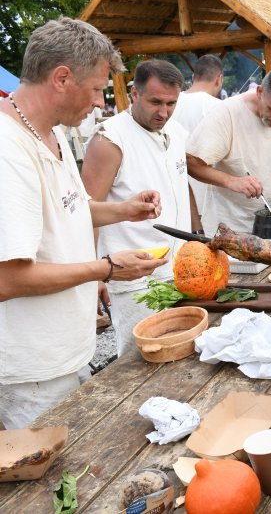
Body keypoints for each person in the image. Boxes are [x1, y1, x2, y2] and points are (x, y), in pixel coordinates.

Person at [0, 18, 166, 429]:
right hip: (33, 371)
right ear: (61, 78)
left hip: (64, 355)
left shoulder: (47, 134)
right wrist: (106, 269)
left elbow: (70, 208)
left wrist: (124, 209)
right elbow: (8, 279)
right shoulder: (9, 150)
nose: (98, 102)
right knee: (51, 489)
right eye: (96, 89)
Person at [81, 59, 190, 358]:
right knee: (140, 359)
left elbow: (182, 188)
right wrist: (94, 275)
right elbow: (84, 213)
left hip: (178, 268)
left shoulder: (177, 132)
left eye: (171, 103)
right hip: (133, 279)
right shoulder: (109, 139)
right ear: (134, 94)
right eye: (155, 102)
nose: (163, 112)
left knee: (183, 352)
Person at [186, 68, 271, 233]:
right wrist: (232, 181)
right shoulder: (227, 113)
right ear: (260, 91)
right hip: (229, 228)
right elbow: (191, 162)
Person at [170, 54, 224, 223]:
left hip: (174, 192)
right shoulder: (218, 107)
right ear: (219, 79)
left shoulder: (170, 102)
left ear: (193, 77)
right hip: (206, 198)